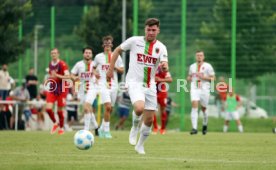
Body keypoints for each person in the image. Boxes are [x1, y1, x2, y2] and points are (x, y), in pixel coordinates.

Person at [107, 18, 169, 154]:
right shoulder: (134, 41)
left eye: (154, 30)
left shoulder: (161, 48)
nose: (151, 32)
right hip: (133, 82)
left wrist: (164, 67)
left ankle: (140, 145)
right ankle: (134, 126)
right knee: (139, 108)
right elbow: (117, 50)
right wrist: (111, 69)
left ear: (158, 30)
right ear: (145, 29)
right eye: (148, 30)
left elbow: (165, 64)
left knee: (149, 119)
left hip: (150, 85)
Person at [94, 35, 124, 138]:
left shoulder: (117, 56)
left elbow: (122, 70)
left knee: (110, 109)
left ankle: (102, 128)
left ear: (112, 45)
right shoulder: (98, 57)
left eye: (109, 44)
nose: (107, 46)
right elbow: (93, 68)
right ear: (103, 45)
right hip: (103, 84)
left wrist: (114, 67)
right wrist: (95, 73)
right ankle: (106, 131)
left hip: (114, 85)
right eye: (106, 44)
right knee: (107, 107)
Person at [71, 47, 99, 135]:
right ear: (83, 54)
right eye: (86, 52)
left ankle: (86, 131)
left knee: (87, 107)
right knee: (88, 109)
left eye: (89, 53)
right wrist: (74, 79)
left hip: (92, 88)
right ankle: (96, 127)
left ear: (92, 55)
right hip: (82, 90)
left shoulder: (96, 64)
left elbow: (100, 76)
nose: (88, 54)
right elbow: (72, 75)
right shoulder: (78, 64)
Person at [187, 50, 215, 135]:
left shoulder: (208, 66)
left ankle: (205, 124)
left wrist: (204, 77)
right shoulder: (192, 66)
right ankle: (194, 128)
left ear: (203, 57)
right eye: (198, 55)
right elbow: (189, 76)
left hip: (204, 89)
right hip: (195, 88)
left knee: (204, 108)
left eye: (201, 55)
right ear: (196, 56)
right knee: (194, 105)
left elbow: (213, 78)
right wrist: (189, 78)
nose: (199, 57)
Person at [45, 48, 70, 135]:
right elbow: (52, 76)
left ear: (58, 54)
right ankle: (55, 123)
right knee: (48, 109)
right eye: (52, 53)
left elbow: (67, 77)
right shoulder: (50, 64)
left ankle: (61, 127)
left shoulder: (63, 64)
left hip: (62, 89)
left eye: (55, 53)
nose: (53, 55)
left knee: (59, 111)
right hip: (53, 88)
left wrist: (57, 76)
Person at [152, 64, 172, 135]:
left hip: (162, 91)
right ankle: (155, 127)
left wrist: (160, 79)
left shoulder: (162, 67)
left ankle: (163, 128)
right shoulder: (149, 65)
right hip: (152, 90)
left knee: (163, 109)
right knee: (151, 109)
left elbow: (170, 79)